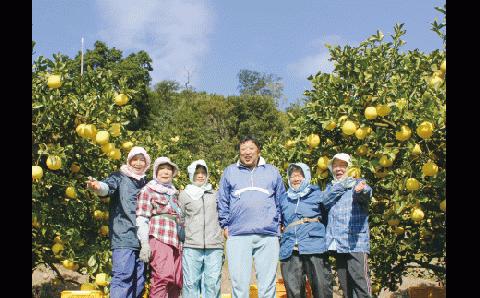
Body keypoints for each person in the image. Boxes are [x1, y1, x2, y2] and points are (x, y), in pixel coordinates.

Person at [217, 136, 286, 298]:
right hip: (238, 234)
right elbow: (222, 199)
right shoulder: (230, 171)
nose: (247, 153)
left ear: (258, 151)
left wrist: (280, 223)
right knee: (239, 283)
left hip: (268, 234)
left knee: (268, 283)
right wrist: (225, 225)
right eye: (243, 150)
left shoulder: (272, 171)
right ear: (239, 153)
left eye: (251, 149)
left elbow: (281, 199)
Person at [86, 146, 151, 298]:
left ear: (146, 163)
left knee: (139, 281)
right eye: (135, 159)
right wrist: (97, 187)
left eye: (142, 160)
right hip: (123, 236)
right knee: (123, 277)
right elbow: (107, 187)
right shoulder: (120, 177)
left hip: (143, 240)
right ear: (129, 161)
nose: (138, 163)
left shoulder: (147, 183)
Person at [279, 162, 347, 298]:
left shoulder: (317, 194)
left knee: (321, 287)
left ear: (307, 176)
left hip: (314, 245)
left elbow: (328, 217)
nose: (296, 179)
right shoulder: (284, 198)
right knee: (294, 290)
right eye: (292, 176)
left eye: (299, 175)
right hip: (290, 248)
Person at [324, 153, 373, 298]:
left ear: (350, 167)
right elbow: (325, 201)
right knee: (345, 285)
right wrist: (341, 186)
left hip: (355, 242)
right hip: (338, 243)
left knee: (360, 282)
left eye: (343, 165)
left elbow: (366, 192)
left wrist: (360, 190)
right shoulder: (330, 187)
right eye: (335, 165)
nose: (338, 169)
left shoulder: (357, 183)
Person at [136, 156, 183, 298]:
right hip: (159, 237)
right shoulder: (148, 190)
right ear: (156, 171)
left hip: (177, 240)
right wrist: (144, 243)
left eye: (169, 169)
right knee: (162, 276)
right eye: (162, 169)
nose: (166, 172)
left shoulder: (174, 193)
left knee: (177, 280)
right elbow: (142, 218)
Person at [178, 159, 224, 298]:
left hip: (214, 246)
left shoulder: (215, 194)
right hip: (192, 245)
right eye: (197, 172)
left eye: (203, 172)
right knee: (191, 283)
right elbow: (180, 218)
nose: (200, 175)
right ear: (191, 174)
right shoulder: (184, 195)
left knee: (212, 284)